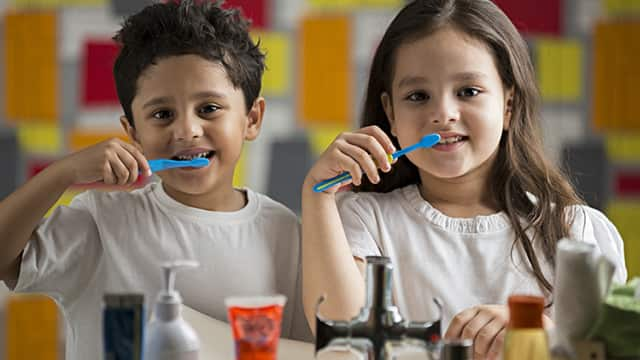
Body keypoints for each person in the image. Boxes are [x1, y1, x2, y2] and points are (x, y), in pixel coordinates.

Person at [301, 0, 626, 359]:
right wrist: (317, 195)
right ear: (391, 113)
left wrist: (541, 334)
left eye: (468, 91)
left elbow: (606, 351)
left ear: (508, 105)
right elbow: (342, 332)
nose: (443, 114)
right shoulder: (364, 221)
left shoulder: (576, 233)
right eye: (418, 96)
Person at [0, 1, 311, 358]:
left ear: (252, 119)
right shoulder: (101, 221)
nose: (187, 130)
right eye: (162, 114)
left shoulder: (286, 232)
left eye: (209, 108)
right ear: (133, 132)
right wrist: (62, 173)